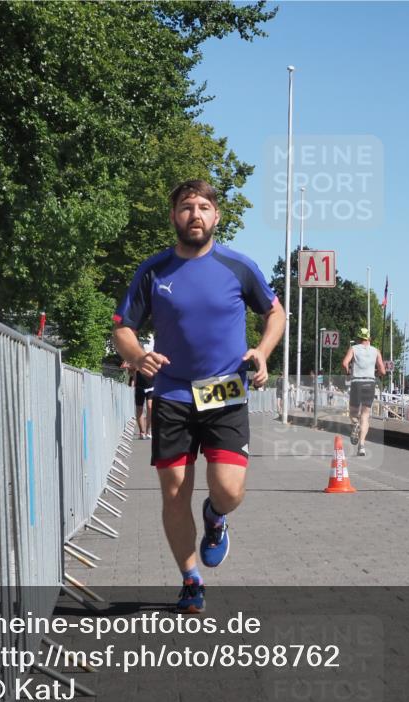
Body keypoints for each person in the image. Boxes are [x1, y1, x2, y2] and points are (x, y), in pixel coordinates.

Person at [112, 179, 286, 614]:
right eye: (186, 207)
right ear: (173, 216)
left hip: (223, 389)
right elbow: (122, 326)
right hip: (172, 393)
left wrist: (262, 353)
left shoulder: (238, 266)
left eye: (204, 207)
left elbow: (275, 311)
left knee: (228, 489)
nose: (195, 214)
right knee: (173, 493)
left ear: (216, 217)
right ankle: (190, 578)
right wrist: (136, 355)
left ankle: (215, 516)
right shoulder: (153, 270)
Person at [342, 326, 386, 457]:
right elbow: (383, 371)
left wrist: (349, 373)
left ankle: (355, 424)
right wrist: (376, 373)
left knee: (353, 413)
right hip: (370, 383)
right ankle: (361, 446)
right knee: (365, 415)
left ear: (359, 338)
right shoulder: (376, 351)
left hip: (357, 383)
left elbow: (345, 363)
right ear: (369, 339)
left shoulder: (354, 349)